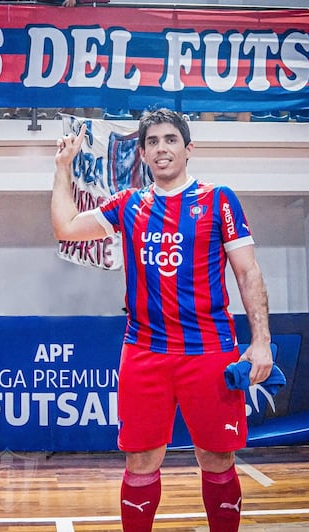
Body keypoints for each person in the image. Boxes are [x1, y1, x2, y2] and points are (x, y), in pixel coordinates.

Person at [51, 108, 272, 531]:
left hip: (210, 352)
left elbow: (248, 272)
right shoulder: (129, 204)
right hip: (145, 353)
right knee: (141, 459)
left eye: (170, 140)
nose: (161, 148)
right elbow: (65, 228)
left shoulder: (218, 199)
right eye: (152, 142)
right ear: (143, 153)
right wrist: (63, 168)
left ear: (188, 149)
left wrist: (260, 341)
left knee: (216, 457)